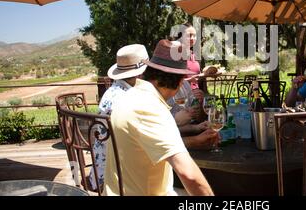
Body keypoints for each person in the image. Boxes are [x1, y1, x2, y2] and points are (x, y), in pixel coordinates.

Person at [103, 39, 214, 196]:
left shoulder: (130, 96)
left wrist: (194, 139)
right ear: (181, 81)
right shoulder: (150, 107)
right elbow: (190, 176)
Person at [89, 44, 148, 191]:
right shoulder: (129, 99)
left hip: (99, 173)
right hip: (116, 181)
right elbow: (146, 141)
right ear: (141, 74)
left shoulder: (113, 92)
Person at [172, 22, 201, 89]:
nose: (192, 38)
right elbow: (170, 80)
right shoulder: (176, 55)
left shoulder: (193, 55)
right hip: (181, 97)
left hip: (195, 97)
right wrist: (189, 80)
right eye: (189, 35)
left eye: (194, 35)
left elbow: (196, 78)